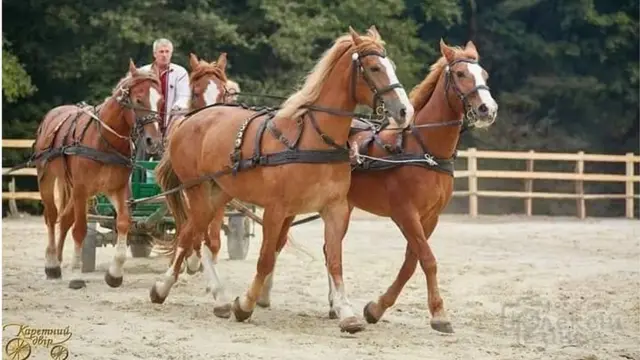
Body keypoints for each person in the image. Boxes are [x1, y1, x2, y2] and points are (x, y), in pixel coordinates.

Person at [139, 38, 190, 136]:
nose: (164, 55)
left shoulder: (180, 72)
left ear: (171, 54)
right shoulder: (143, 72)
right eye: (161, 52)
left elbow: (184, 96)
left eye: (167, 52)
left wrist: (175, 111)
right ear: (155, 54)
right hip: (147, 122)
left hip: (171, 122)